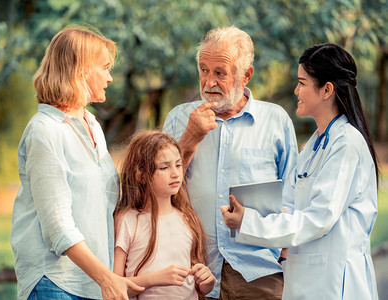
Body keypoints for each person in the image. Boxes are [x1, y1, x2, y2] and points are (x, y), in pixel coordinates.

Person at [221, 43, 379, 299]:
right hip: (304, 277)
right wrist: (253, 213)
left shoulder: (347, 144)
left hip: (336, 282)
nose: (296, 90)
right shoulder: (315, 145)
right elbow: (290, 205)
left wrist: (248, 222)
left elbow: (318, 219)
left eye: (302, 83)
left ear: (326, 89)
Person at [163, 26, 298, 299]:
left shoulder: (275, 120)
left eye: (220, 73)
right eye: (203, 70)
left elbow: (293, 196)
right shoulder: (179, 118)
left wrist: (284, 257)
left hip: (259, 272)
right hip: (192, 270)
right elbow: (157, 190)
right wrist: (189, 139)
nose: (208, 82)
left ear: (245, 75)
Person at [10, 26, 143, 300]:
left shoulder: (91, 124)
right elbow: (58, 227)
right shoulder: (45, 131)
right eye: (104, 68)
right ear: (81, 70)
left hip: (92, 282)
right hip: (55, 283)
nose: (110, 77)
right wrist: (108, 279)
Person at [113, 131, 217, 299]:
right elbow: (116, 288)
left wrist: (207, 282)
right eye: (164, 167)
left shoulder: (187, 218)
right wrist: (154, 279)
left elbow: (197, 289)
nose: (175, 173)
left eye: (178, 165)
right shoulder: (127, 220)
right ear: (141, 175)